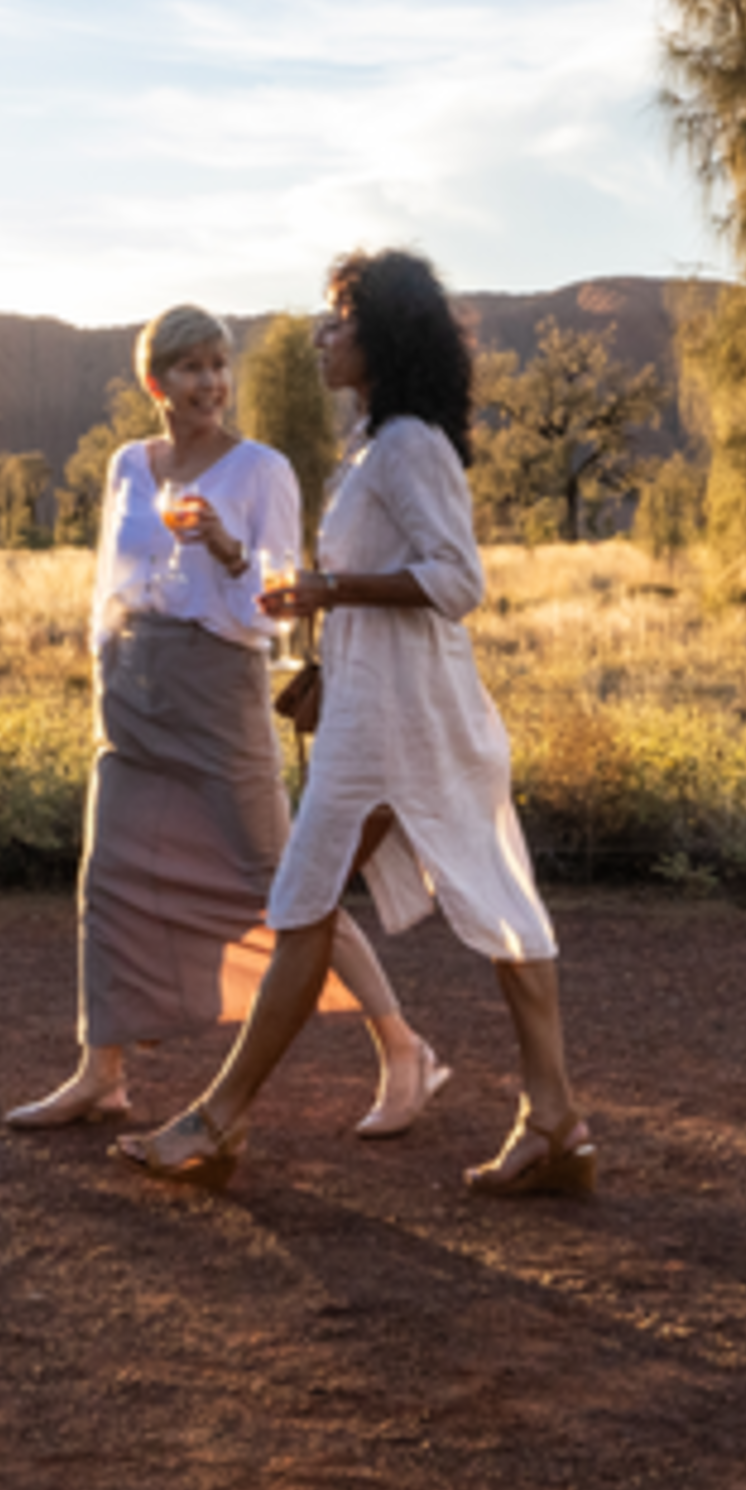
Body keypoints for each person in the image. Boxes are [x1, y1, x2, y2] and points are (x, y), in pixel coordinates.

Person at [114, 249, 597, 1199]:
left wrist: (332, 590)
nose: (324, 334)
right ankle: (555, 1120)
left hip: (406, 719)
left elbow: (458, 582)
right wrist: (331, 657)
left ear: (383, 336)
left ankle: (220, 1120)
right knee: (470, 898)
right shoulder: (381, 444)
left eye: (339, 319)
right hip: (387, 708)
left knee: (310, 902)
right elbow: (398, 586)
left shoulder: (410, 442)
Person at [5, 301, 447, 1137]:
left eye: (218, 365)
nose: (211, 382)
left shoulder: (261, 472)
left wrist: (229, 552)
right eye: (191, 368)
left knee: (284, 883)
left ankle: (404, 1047)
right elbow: (112, 576)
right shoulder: (129, 467)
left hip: (218, 687)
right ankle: (101, 1072)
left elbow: (277, 609)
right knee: (107, 879)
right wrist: (105, 657)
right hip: (134, 686)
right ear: (156, 382)